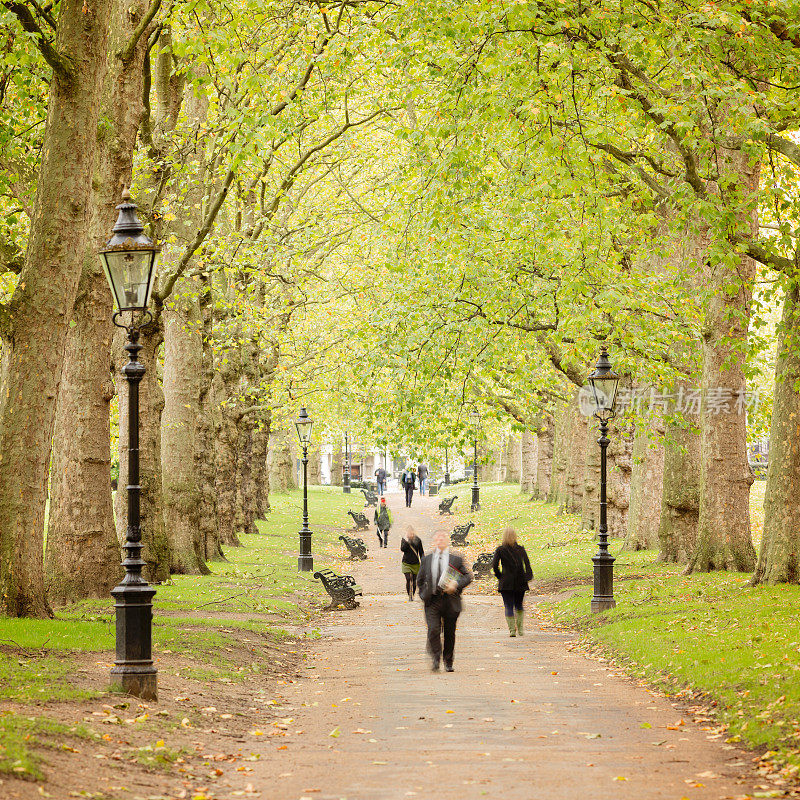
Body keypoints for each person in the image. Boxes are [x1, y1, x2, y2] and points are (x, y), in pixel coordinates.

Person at [417, 530, 473, 672]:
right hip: (432, 601)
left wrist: (456, 584)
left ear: (447, 540)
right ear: (434, 542)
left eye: (443, 537)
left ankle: (448, 661)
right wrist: (423, 594)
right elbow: (420, 580)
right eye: (438, 538)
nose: (440, 539)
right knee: (433, 630)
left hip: (450, 601)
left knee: (449, 632)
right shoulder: (426, 560)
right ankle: (436, 657)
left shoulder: (456, 559)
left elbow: (468, 576)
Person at [491, 527, 533, 637]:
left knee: (508, 605)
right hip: (520, 581)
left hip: (506, 582)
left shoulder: (500, 550)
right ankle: (520, 629)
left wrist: (500, 576)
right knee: (519, 605)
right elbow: (527, 564)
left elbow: (495, 565)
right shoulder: (520, 549)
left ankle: (512, 630)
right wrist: (527, 577)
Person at [400, 525, 425, 601]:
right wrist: (407, 542)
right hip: (406, 563)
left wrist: (423, 561)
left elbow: (421, 552)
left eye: (411, 532)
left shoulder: (418, 540)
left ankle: (412, 594)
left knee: (414, 580)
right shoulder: (404, 540)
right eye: (408, 532)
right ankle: (409, 595)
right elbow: (402, 549)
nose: (410, 534)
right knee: (408, 579)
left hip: (415, 563)